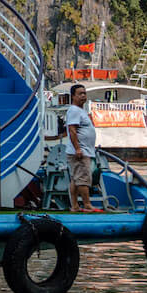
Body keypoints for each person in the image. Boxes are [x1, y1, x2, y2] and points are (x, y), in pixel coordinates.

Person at [65, 84, 100, 212]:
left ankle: (74, 206)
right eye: (80, 93)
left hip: (83, 150)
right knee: (83, 179)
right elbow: (72, 130)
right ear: (73, 96)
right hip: (80, 151)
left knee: (76, 179)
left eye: (84, 93)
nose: (83, 96)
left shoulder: (80, 111)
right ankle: (87, 204)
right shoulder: (74, 110)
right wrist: (78, 149)